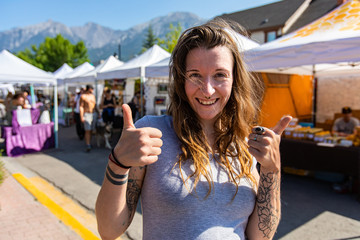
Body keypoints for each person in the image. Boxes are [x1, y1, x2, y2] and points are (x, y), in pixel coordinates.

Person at [96, 19, 292, 240]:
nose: (207, 90)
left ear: (234, 80)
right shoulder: (152, 133)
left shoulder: (243, 142)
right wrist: (118, 163)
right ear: (181, 80)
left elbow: (261, 236)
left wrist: (272, 171)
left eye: (220, 75)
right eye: (195, 75)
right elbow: (108, 230)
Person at [80, 85, 97, 152]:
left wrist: (98, 113)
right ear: (89, 89)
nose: (92, 90)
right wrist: (81, 116)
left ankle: (89, 142)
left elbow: (95, 105)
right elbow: (81, 107)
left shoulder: (93, 96)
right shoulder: (83, 96)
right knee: (87, 130)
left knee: (92, 130)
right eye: (92, 89)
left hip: (93, 113)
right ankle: (88, 144)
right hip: (87, 114)